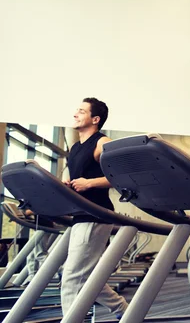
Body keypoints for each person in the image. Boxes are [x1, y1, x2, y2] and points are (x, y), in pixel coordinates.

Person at [61, 97, 128, 318]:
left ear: (95, 119)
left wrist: (89, 183)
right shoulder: (76, 147)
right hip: (80, 215)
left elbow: (121, 175)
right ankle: (123, 310)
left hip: (95, 214)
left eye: (81, 111)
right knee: (87, 276)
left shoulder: (102, 142)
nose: (75, 114)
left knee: (72, 277)